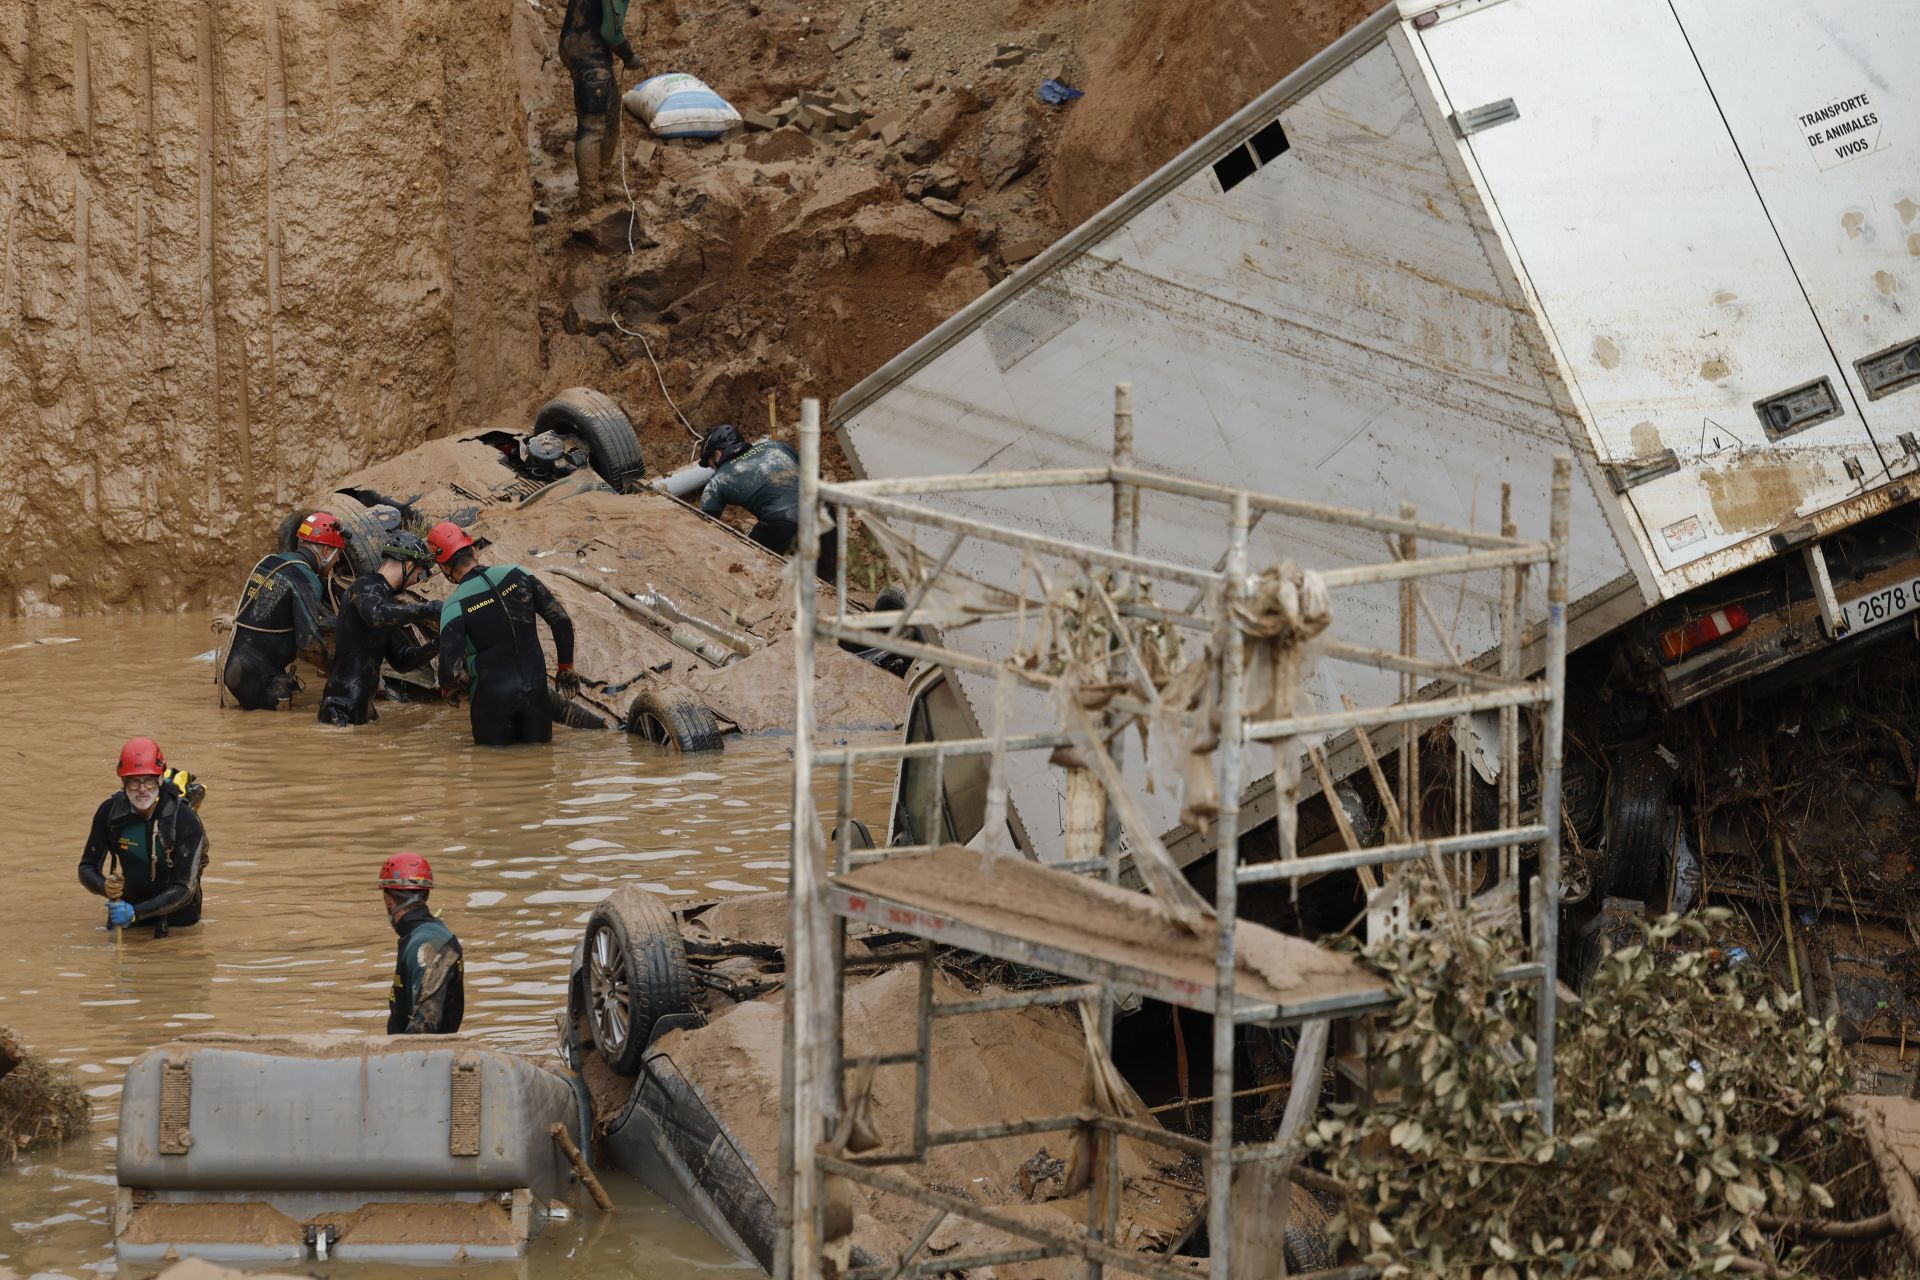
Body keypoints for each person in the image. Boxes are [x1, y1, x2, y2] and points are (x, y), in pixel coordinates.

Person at [428, 520, 578, 746]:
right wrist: (565, 667)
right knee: (540, 765)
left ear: (443, 567)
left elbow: (449, 670)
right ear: (473, 549)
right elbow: (561, 620)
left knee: (492, 772)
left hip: (491, 699)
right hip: (535, 691)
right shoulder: (518, 574)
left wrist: (451, 690)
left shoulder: (453, 606)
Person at [78, 739, 209, 938]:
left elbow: (185, 889)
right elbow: (86, 867)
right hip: (128, 906)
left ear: (160, 779)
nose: (142, 789)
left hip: (179, 915)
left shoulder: (185, 819)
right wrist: (104, 887)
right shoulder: (109, 812)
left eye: (148, 780)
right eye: (133, 780)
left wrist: (135, 914)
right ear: (123, 781)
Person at [318, 532, 441, 726]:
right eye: (418, 574)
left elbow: (402, 660)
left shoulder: (384, 604)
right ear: (408, 565)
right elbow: (377, 616)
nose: (416, 581)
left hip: (361, 708)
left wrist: (438, 643)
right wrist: (428, 609)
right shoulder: (363, 587)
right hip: (339, 709)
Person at [221, 512, 342, 710]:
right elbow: (309, 643)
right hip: (259, 677)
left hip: (236, 664)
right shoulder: (305, 577)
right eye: (338, 553)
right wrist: (336, 672)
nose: (337, 561)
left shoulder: (271, 562)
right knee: (279, 727)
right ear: (326, 549)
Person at [695, 425, 839, 578]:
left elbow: (705, 528)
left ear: (717, 454)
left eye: (711, 464)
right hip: (823, 510)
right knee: (826, 582)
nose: (713, 469)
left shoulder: (717, 481)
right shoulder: (777, 446)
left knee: (743, 564)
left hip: (783, 521)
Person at [560, 0, 641, 209]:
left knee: (613, 110)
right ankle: (591, 196)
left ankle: (602, 177)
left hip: (576, 45)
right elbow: (610, 32)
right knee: (592, 126)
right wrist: (629, 55)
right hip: (589, 54)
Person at [379, 853, 464, 1035]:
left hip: (423, 1058)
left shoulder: (426, 944)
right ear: (426, 894)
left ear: (388, 899)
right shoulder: (426, 936)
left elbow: (425, 1027)